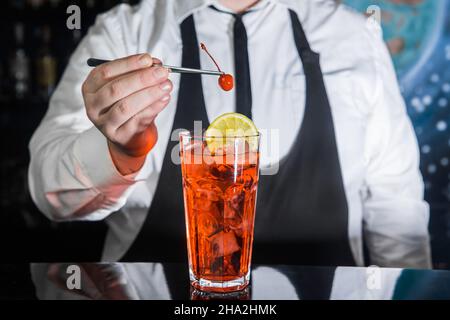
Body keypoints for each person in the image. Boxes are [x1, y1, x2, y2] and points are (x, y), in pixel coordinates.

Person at [28, 0, 431, 267]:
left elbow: (396, 208)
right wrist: (119, 152)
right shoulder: (126, 31)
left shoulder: (353, 35)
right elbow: (51, 196)